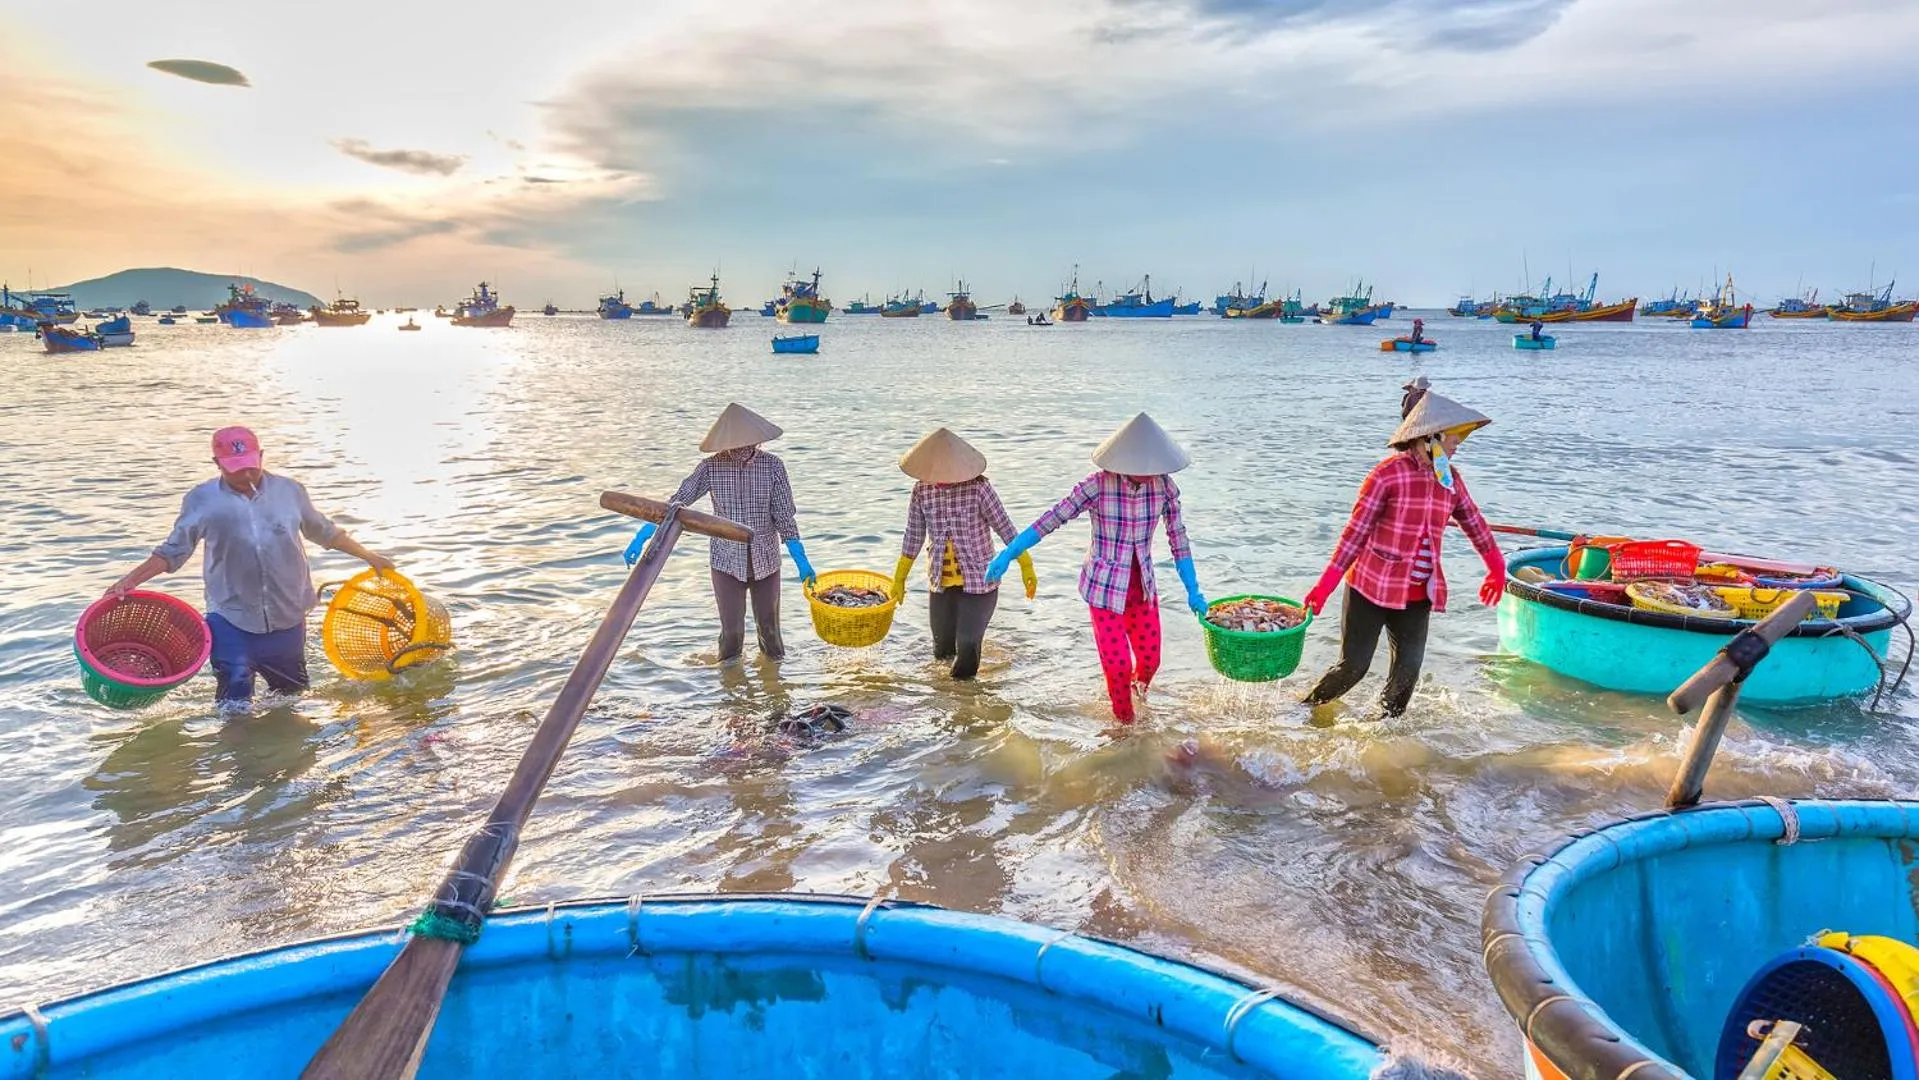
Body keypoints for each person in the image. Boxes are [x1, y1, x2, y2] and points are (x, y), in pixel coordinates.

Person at [105, 426, 394, 707]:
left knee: (292, 696)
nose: (245, 474)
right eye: (235, 467)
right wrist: (130, 581)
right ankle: (235, 750)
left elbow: (324, 531)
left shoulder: (289, 491)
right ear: (217, 463)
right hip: (230, 616)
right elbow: (173, 551)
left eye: (250, 465)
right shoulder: (202, 500)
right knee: (234, 699)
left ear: (262, 456)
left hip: (288, 614)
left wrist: (369, 556)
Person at [1299, 387, 1505, 718]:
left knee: (1405, 679)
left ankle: (1383, 745)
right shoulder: (1386, 476)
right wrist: (1324, 587)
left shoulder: (1450, 480)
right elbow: (1354, 535)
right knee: (1354, 667)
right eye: (1454, 437)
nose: (1458, 444)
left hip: (1417, 595)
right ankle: (1304, 710)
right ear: (1430, 437)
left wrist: (1496, 567)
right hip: (1370, 588)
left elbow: (1475, 524)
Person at [987, 413, 1204, 724]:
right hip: (1103, 590)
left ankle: (1137, 704)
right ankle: (1124, 729)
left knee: (1150, 661)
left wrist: (1193, 588)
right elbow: (1053, 518)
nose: (1147, 473)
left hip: (1141, 589)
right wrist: (1010, 553)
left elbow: (1178, 539)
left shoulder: (1165, 488)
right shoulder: (1097, 486)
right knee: (1116, 665)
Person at [622, 403, 816, 662]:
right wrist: (645, 533)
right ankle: (729, 694)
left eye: (745, 444)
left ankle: (775, 689)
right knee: (731, 636)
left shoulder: (773, 467)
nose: (740, 450)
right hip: (726, 562)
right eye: (734, 445)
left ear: (757, 440)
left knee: (771, 636)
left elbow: (784, 516)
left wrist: (801, 559)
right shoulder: (710, 468)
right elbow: (678, 502)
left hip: (766, 562)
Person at [890, 427, 1036, 679]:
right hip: (940, 582)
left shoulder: (980, 489)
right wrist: (899, 577)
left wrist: (1026, 565)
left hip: (980, 581)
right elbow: (913, 535)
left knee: (968, 646)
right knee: (941, 652)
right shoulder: (922, 491)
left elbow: (1005, 527)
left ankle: (968, 706)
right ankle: (948, 705)